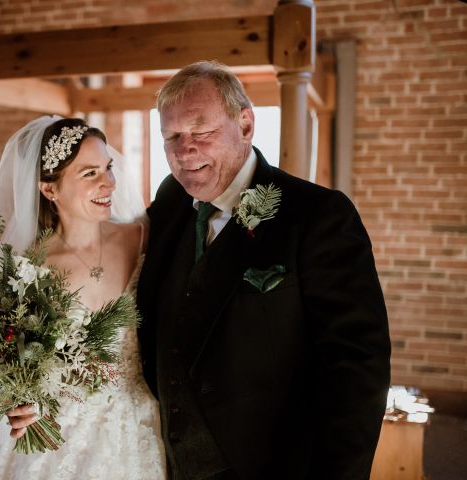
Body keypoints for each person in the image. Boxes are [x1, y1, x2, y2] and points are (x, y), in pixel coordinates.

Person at [137, 61, 391, 479]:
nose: (186, 150)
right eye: (172, 137)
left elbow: (356, 366)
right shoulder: (170, 202)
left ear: (246, 125)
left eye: (202, 131)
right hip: (167, 461)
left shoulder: (318, 215)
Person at [0, 116, 166, 479]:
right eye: (89, 174)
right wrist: (16, 401)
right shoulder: (26, 269)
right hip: (57, 441)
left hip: (140, 425)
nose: (108, 182)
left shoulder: (142, 237)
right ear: (50, 190)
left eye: (108, 167)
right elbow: (6, 362)